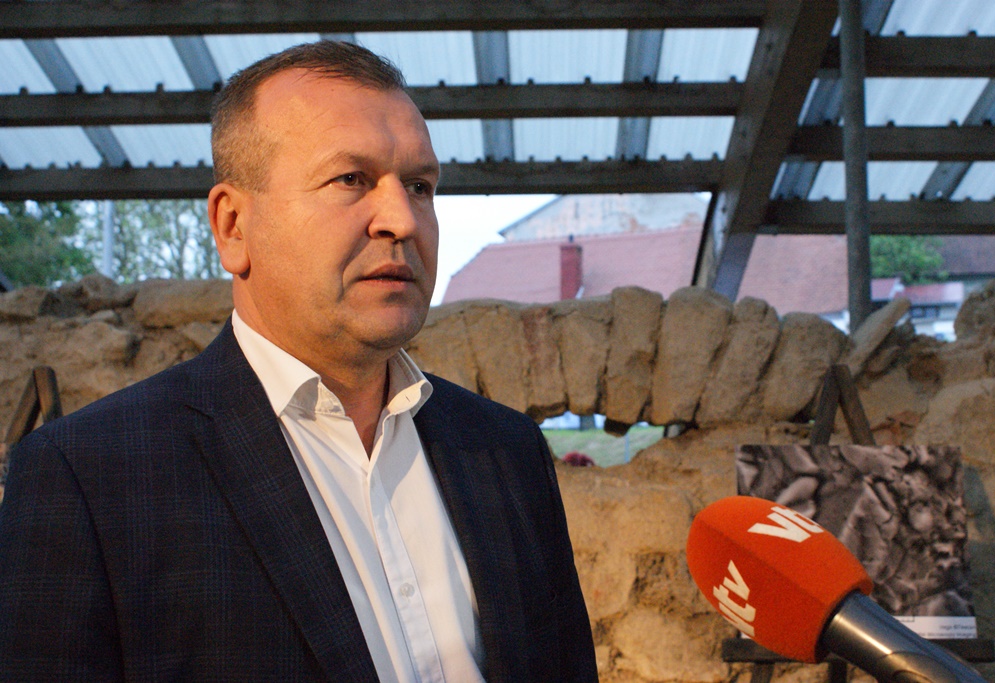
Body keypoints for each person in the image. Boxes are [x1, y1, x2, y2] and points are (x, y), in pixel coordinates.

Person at [0, 41, 597, 682]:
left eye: (420, 186)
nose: (401, 219)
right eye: (351, 180)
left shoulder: (507, 451)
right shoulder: (89, 478)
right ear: (233, 226)